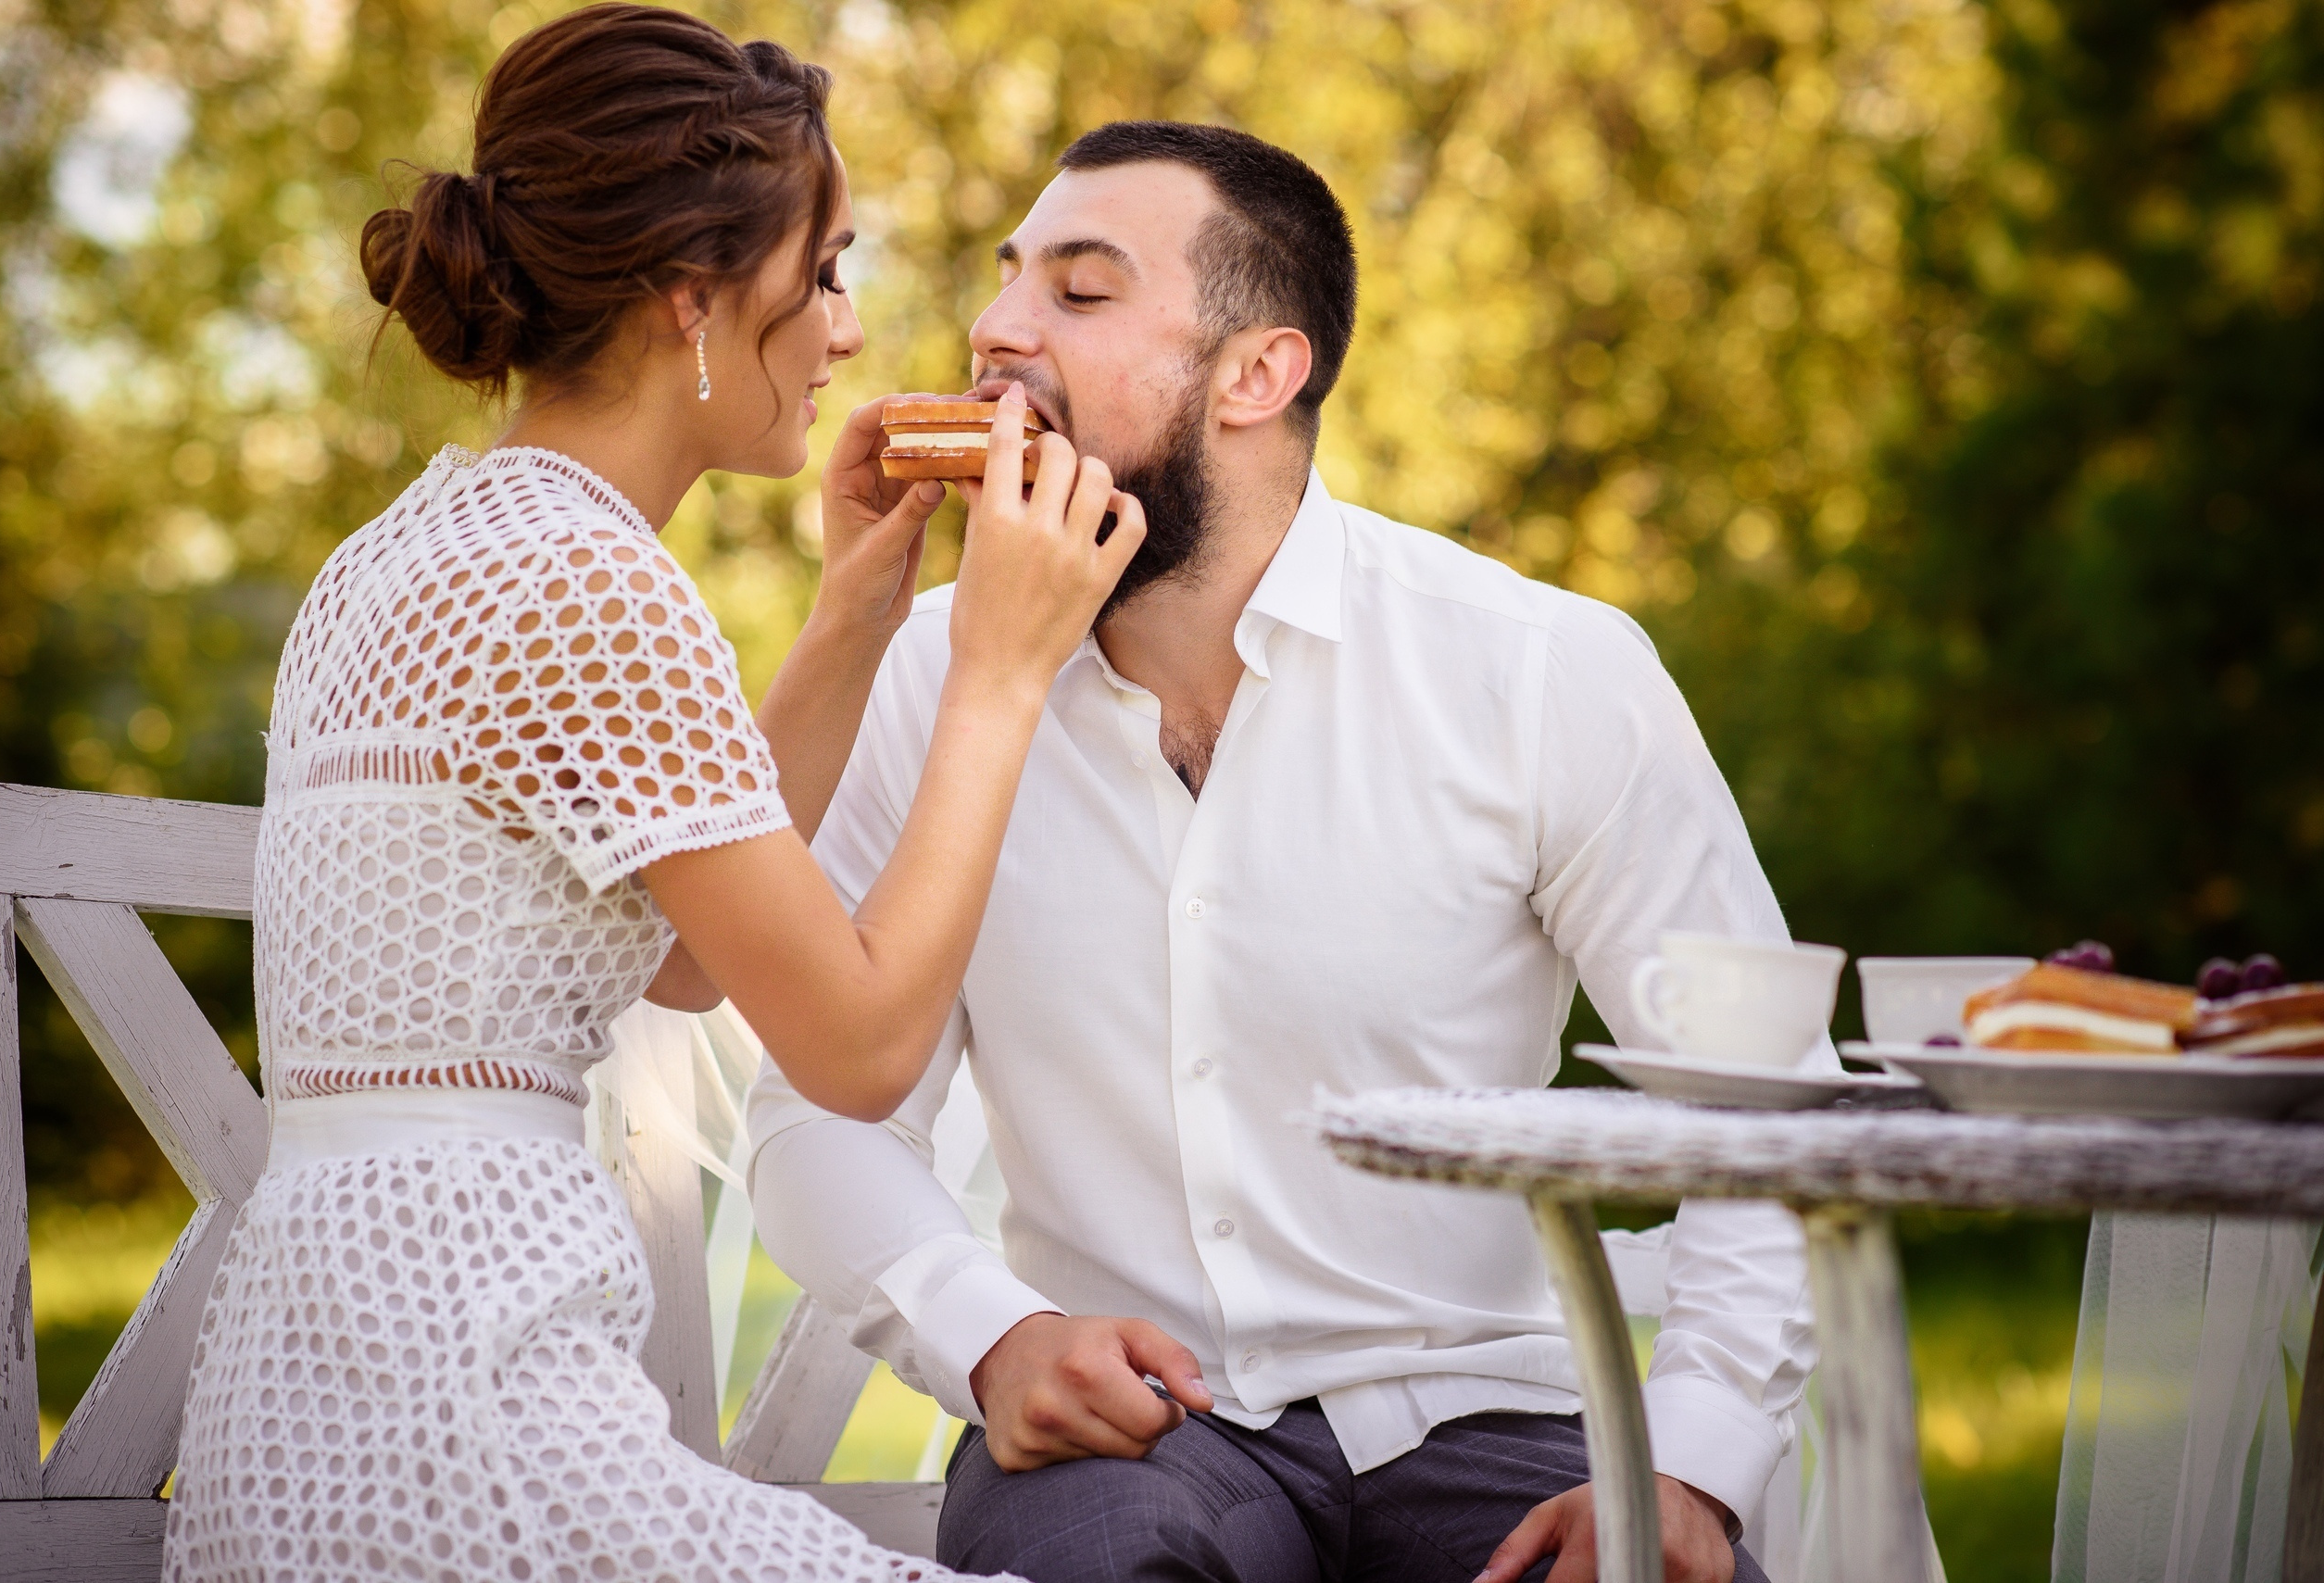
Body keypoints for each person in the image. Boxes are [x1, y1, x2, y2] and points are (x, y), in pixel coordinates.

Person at [746, 122, 1814, 1583]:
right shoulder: (921, 677)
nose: (995, 331)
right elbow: (821, 1114)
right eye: (1008, 281)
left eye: (1081, 289)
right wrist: (988, 1332)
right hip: (1134, 1432)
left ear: (1258, 374)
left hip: (1495, 1413)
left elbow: (1758, 1104)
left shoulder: (1545, 671)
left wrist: (1688, 1465)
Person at [159, 8, 1143, 1580]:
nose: (846, 329)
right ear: (693, 296)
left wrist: (853, 620)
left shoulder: (408, 551)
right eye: (823, 274)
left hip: (310, 1409)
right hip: (472, 1410)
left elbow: (677, 961)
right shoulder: (594, 583)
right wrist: (1002, 669)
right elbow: (862, 1042)